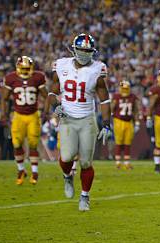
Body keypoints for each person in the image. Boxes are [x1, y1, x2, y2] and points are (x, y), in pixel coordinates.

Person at [47, 34, 112, 211]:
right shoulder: (61, 65)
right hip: (67, 119)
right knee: (66, 157)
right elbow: (52, 93)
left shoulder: (97, 69)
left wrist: (106, 123)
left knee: (85, 162)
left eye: (87, 50)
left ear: (92, 52)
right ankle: (67, 176)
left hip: (87, 120)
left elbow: (104, 100)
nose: (84, 53)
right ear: (74, 49)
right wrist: (56, 106)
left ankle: (85, 196)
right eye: (81, 50)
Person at [0, 56, 48, 184]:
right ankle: (21, 170)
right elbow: (4, 98)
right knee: (17, 144)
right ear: (18, 68)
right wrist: (4, 114)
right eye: (23, 68)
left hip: (33, 115)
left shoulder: (38, 77)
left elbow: (46, 96)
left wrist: (46, 111)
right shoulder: (11, 78)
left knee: (33, 144)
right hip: (18, 115)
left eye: (27, 68)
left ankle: (35, 172)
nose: (26, 71)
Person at [111, 80, 140, 170]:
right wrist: (109, 121)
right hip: (118, 121)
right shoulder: (116, 97)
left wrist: (137, 122)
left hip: (129, 121)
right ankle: (118, 162)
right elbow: (111, 109)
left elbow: (135, 110)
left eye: (126, 89)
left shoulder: (133, 97)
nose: (124, 90)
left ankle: (127, 162)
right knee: (119, 142)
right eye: (123, 88)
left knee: (127, 142)